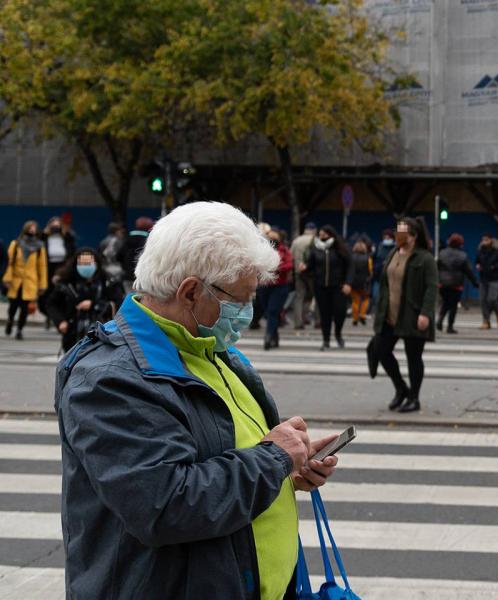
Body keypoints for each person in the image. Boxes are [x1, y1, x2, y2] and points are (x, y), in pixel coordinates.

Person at [54, 201, 338, 599]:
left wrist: (290, 467)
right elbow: (165, 504)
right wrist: (273, 459)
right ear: (190, 291)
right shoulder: (110, 379)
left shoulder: (213, 350)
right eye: (239, 300)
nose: (247, 314)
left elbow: (226, 457)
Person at [373, 218, 437, 413]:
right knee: (380, 350)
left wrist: (425, 313)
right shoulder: (393, 253)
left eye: (402, 232)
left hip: (412, 315)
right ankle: (401, 389)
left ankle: (414, 398)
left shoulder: (424, 258)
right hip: (389, 315)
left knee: (413, 358)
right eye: (397, 231)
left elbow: (432, 287)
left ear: (414, 236)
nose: (398, 235)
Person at [45, 248, 125, 353]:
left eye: (88, 263)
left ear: (96, 264)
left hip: (102, 332)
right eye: (82, 263)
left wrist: (94, 305)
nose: (85, 267)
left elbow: (119, 303)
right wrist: (60, 321)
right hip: (73, 332)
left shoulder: (108, 282)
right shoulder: (67, 283)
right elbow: (51, 304)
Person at [306, 225, 353, 351]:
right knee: (324, 315)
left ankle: (338, 334)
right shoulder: (315, 249)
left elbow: (350, 267)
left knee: (340, 313)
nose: (321, 238)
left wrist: (348, 283)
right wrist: (304, 268)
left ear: (331, 235)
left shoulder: (341, 249)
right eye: (320, 235)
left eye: (324, 235)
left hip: (338, 287)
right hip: (321, 288)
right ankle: (325, 340)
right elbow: (310, 267)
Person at [3, 221, 48, 341]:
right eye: (30, 228)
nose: (32, 230)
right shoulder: (16, 244)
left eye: (34, 228)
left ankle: (19, 329)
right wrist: (7, 279)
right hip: (16, 281)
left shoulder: (39, 247)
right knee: (13, 306)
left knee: (24, 308)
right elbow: (9, 263)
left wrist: (42, 285)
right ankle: (10, 320)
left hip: (30, 282)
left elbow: (42, 267)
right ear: (25, 229)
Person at [436, 233, 478, 334]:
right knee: (453, 305)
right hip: (456, 284)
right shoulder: (463, 255)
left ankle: (440, 319)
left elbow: (436, 267)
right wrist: (475, 283)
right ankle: (450, 326)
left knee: (446, 302)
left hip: (443, 283)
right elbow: (469, 271)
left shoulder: (442, 253)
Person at [40, 216, 77, 329]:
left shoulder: (67, 237)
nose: (55, 227)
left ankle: (60, 318)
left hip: (62, 268)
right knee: (46, 294)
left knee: (61, 293)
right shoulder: (44, 237)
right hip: (47, 268)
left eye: (58, 225)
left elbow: (72, 252)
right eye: (53, 225)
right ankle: (49, 315)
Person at [260, 229, 293, 350]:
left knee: (273, 311)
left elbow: (289, 265)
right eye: (269, 237)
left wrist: (275, 266)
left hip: (279, 286)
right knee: (268, 312)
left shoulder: (284, 250)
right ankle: (275, 336)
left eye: (274, 237)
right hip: (264, 285)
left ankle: (268, 337)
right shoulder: (263, 249)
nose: (271, 239)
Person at [290, 222, 317, 330]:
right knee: (312, 296)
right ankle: (316, 320)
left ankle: (298, 322)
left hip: (298, 272)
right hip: (311, 273)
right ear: (314, 230)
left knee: (299, 296)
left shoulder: (297, 240)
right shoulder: (315, 240)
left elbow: (290, 255)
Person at [476, 233, 498, 330]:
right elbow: (477, 260)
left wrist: (494, 267)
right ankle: (486, 321)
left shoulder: (497, 251)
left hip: (494, 278)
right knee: (483, 300)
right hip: (483, 277)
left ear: (491, 240)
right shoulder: (480, 250)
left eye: (486, 240)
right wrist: (477, 265)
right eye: (483, 240)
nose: (484, 242)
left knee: (492, 299)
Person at [119, 216, 154, 292]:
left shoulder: (126, 239)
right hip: (143, 279)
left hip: (127, 277)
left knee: (129, 298)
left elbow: (118, 256)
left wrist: (125, 267)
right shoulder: (149, 241)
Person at [349, 239, 373, 326]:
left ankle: (355, 318)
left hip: (353, 282)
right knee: (366, 299)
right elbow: (370, 271)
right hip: (364, 282)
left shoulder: (351, 257)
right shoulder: (368, 258)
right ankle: (362, 314)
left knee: (355, 300)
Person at [371, 228, 395, 313]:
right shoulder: (379, 246)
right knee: (376, 296)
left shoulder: (395, 247)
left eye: (388, 237)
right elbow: (373, 259)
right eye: (385, 237)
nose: (387, 239)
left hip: (392, 277)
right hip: (379, 276)